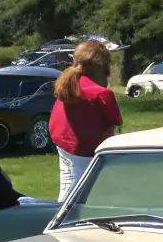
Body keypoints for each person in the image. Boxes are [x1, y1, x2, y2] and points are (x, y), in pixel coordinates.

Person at [50, 39, 121, 199]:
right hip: (84, 150)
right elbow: (116, 119)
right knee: (78, 195)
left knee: (68, 187)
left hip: (62, 142)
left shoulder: (68, 83)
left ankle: (60, 212)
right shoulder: (101, 93)